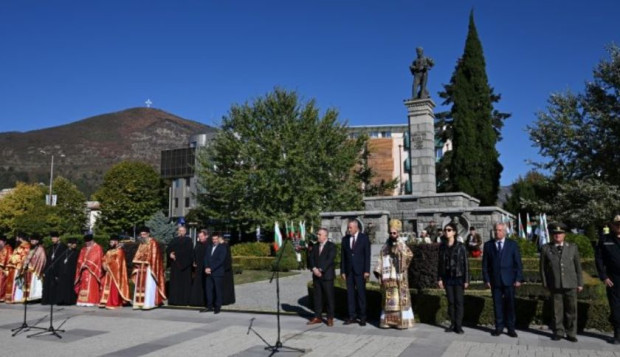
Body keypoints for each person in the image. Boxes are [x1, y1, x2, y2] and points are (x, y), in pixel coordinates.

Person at [540, 222, 583, 342]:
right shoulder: (546, 248)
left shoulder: (572, 248)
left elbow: (578, 267)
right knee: (556, 310)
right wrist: (545, 283)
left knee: (571, 310)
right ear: (552, 235)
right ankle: (558, 331)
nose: (557, 235)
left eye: (560, 233)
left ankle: (571, 333)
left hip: (571, 284)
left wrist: (580, 283)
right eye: (555, 233)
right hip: (555, 284)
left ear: (564, 235)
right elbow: (542, 268)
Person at [482, 222, 523, 337]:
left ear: (505, 232)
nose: (497, 232)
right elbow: (485, 264)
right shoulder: (488, 245)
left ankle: (511, 328)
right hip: (495, 281)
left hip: (509, 280)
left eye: (500, 230)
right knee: (497, 305)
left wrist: (519, 278)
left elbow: (518, 263)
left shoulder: (512, 245)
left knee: (510, 305)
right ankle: (499, 327)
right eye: (496, 230)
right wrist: (486, 279)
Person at [374, 219, 414, 329]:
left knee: (399, 300)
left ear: (398, 233)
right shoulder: (385, 246)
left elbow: (409, 255)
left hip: (398, 277)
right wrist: (380, 274)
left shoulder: (402, 244)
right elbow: (380, 259)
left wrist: (400, 253)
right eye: (390, 233)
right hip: (388, 278)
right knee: (388, 300)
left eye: (394, 233)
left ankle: (401, 322)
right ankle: (387, 322)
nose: (392, 235)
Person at [437, 222, 469, 334]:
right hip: (447, 278)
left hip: (459, 277)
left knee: (459, 302)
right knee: (451, 302)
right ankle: (453, 323)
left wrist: (466, 280)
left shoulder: (461, 247)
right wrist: (439, 278)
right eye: (445, 230)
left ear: (454, 232)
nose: (447, 232)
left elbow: (465, 263)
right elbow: (439, 264)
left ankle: (459, 326)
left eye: (449, 230)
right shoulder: (442, 247)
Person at [341, 219, 371, 326]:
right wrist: (343, 271)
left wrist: (367, 270)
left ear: (356, 227)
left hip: (360, 271)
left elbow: (367, 255)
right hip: (349, 271)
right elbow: (343, 257)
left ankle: (363, 317)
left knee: (361, 294)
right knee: (350, 294)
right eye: (348, 227)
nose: (348, 229)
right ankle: (352, 316)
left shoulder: (364, 238)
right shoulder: (345, 239)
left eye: (350, 227)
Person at [595, 214, 620, 344]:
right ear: (612, 225)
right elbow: (599, 259)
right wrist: (604, 276)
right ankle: (617, 334)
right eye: (617, 225)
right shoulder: (605, 239)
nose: (619, 227)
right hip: (613, 279)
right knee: (615, 308)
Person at [307, 228, 336, 327]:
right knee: (317, 297)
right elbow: (311, 258)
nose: (317, 236)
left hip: (327, 276)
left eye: (319, 234)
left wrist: (321, 269)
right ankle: (317, 317)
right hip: (316, 276)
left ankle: (330, 318)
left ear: (325, 236)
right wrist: (314, 268)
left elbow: (330, 259)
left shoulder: (331, 246)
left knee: (329, 297)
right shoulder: (315, 246)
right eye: (317, 234)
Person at [132, 227, 166, 310]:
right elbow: (138, 255)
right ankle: (139, 304)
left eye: (144, 234)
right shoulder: (142, 244)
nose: (142, 236)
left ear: (148, 234)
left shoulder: (153, 242)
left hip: (149, 268)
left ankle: (149, 303)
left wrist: (146, 261)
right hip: (141, 268)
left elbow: (154, 256)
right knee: (140, 286)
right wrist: (137, 261)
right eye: (141, 235)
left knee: (148, 285)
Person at [99, 235, 130, 309]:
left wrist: (107, 265)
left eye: (112, 241)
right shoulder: (109, 251)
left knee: (114, 287)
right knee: (105, 285)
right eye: (110, 242)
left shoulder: (120, 251)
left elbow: (117, 262)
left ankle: (114, 302)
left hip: (115, 274)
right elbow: (103, 259)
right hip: (108, 273)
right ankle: (105, 301)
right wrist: (103, 264)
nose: (110, 243)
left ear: (116, 242)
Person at [166, 226, 193, 306]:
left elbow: (189, 252)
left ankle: (184, 301)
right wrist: (170, 254)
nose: (181, 232)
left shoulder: (189, 240)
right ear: (178, 231)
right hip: (175, 266)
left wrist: (179, 257)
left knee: (184, 284)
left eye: (183, 230)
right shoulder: (174, 240)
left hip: (185, 266)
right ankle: (174, 300)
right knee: (175, 284)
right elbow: (168, 249)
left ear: (185, 232)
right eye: (180, 230)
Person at [74, 233, 103, 306]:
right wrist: (82, 264)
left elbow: (96, 259)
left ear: (92, 241)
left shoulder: (97, 248)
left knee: (91, 286)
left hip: (92, 272)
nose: (86, 244)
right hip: (84, 271)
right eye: (86, 242)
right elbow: (79, 259)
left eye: (88, 242)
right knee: (83, 285)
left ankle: (91, 301)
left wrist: (87, 264)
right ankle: (82, 301)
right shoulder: (83, 249)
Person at [42, 231, 67, 305]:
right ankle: (48, 300)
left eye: (54, 238)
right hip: (50, 269)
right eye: (52, 238)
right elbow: (49, 258)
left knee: (56, 285)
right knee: (48, 285)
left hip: (58, 270)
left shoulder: (63, 246)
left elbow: (62, 260)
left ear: (58, 238)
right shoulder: (52, 247)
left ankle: (55, 300)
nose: (53, 239)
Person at [204, 232, 226, 314]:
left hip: (217, 273)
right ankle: (209, 306)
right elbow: (205, 258)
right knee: (208, 290)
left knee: (217, 290)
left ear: (219, 239)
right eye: (213, 239)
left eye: (216, 239)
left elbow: (220, 261)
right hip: (208, 273)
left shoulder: (222, 248)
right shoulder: (209, 247)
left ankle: (217, 307)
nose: (214, 241)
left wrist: (211, 268)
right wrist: (206, 267)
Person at [5, 233, 31, 303]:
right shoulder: (19, 246)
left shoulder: (26, 246)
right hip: (13, 266)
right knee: (12, 283)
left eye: (17, 238)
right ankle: (11, 298)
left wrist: (19, 264)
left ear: (20, 238)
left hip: (18, 267)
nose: (16, 239)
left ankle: (17, 298)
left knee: (17, 283)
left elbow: (24, 257)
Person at [56, 237, 79, 305]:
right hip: (62, 273)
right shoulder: (64, 252)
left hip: (71, 273)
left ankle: (68, 301)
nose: (75, 245)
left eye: (75, 244)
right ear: (69, 244)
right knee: (61, 287)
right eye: (73, 243)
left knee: (69, 287)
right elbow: (59, 263)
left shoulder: (76, 253)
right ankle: (61, 300)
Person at [190, 229, 209, 308]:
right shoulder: (198, 244)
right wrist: (194, 261)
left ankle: (205, 300)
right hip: (198, 267)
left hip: (205, 266)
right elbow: (194, 253)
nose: (200, 238)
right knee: (197, 283)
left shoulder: (209, 245)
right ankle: (196, 300)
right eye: (199, 236)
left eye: (201, 236)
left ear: (206, 236)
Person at [219, 235, 236, 306]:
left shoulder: (224, 246)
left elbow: (226, 258)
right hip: (226, 269)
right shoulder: (225, 246)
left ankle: (225, 299)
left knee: (225, 286)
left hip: (225, 269)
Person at [0, 235, 13, 302]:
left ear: (4, 242)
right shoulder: (1, 248)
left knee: (1, 282)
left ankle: (1, 296)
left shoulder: (8, 248)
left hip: (4, 270)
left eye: (0, 241)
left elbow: (6, 260)